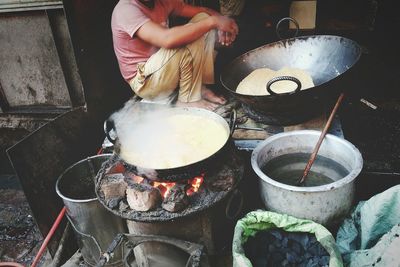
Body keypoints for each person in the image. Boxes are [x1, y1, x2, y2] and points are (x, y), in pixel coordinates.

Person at [111, 0, 239, 110]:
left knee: (203, 18)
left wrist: (222, 22)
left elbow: (202, 12)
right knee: (187, 38)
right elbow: (167, 39)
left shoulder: (161, 2)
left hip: (164, 70)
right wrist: (213, 22)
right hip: (146, 82)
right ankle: (187, 100)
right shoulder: (126, 9)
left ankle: (199, 88)